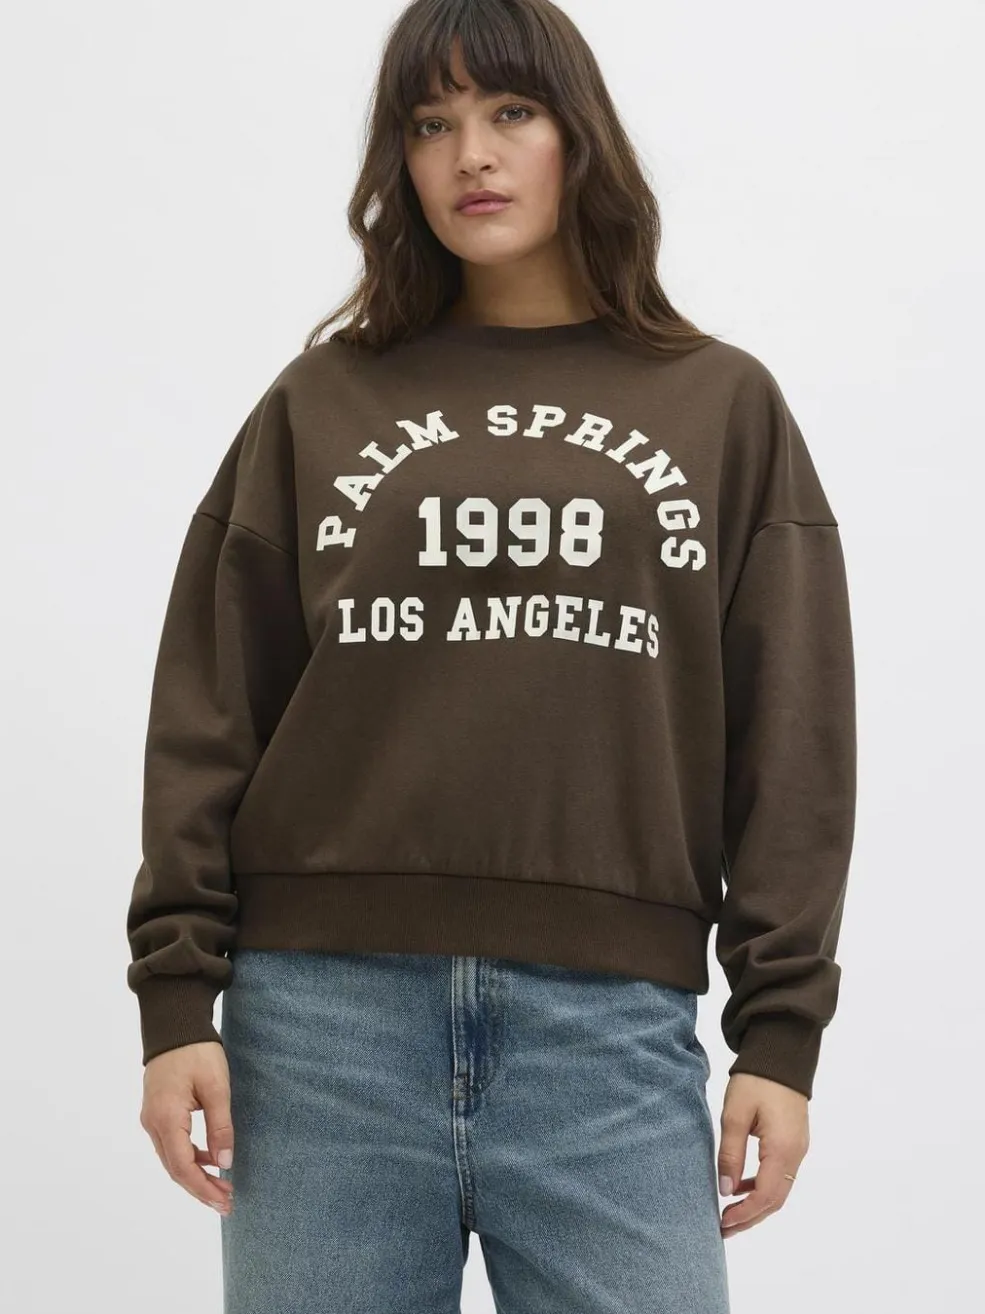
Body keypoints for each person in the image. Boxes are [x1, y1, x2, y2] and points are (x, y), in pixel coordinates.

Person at [127, 1, 857, 1310]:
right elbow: (211, 706)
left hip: (608, 1034)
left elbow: (792, 731)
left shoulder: (721, 404)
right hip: (320, 1034)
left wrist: (781, 1030)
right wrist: (177, 999)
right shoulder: (321, 402)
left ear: (580, 136)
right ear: (399, 163)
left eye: (511, 111)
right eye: (431, 123)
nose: (471, 153)